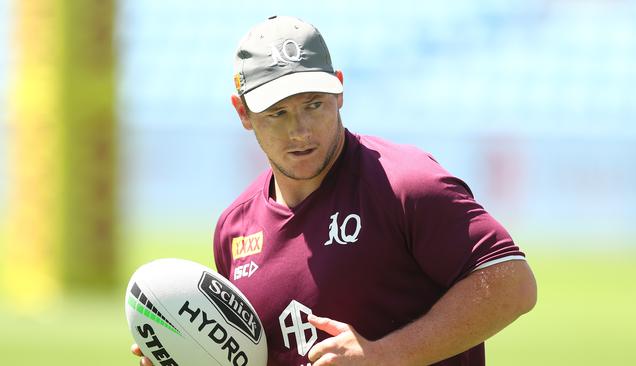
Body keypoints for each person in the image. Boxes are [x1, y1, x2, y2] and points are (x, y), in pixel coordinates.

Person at [132, 15, 537, 366]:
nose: (300, 131)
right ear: (243, 113)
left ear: (339, 90)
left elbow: (513, 283)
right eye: (277, 113)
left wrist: (386, 355)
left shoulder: (406, 185)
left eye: (314, 104)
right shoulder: (235, 229)